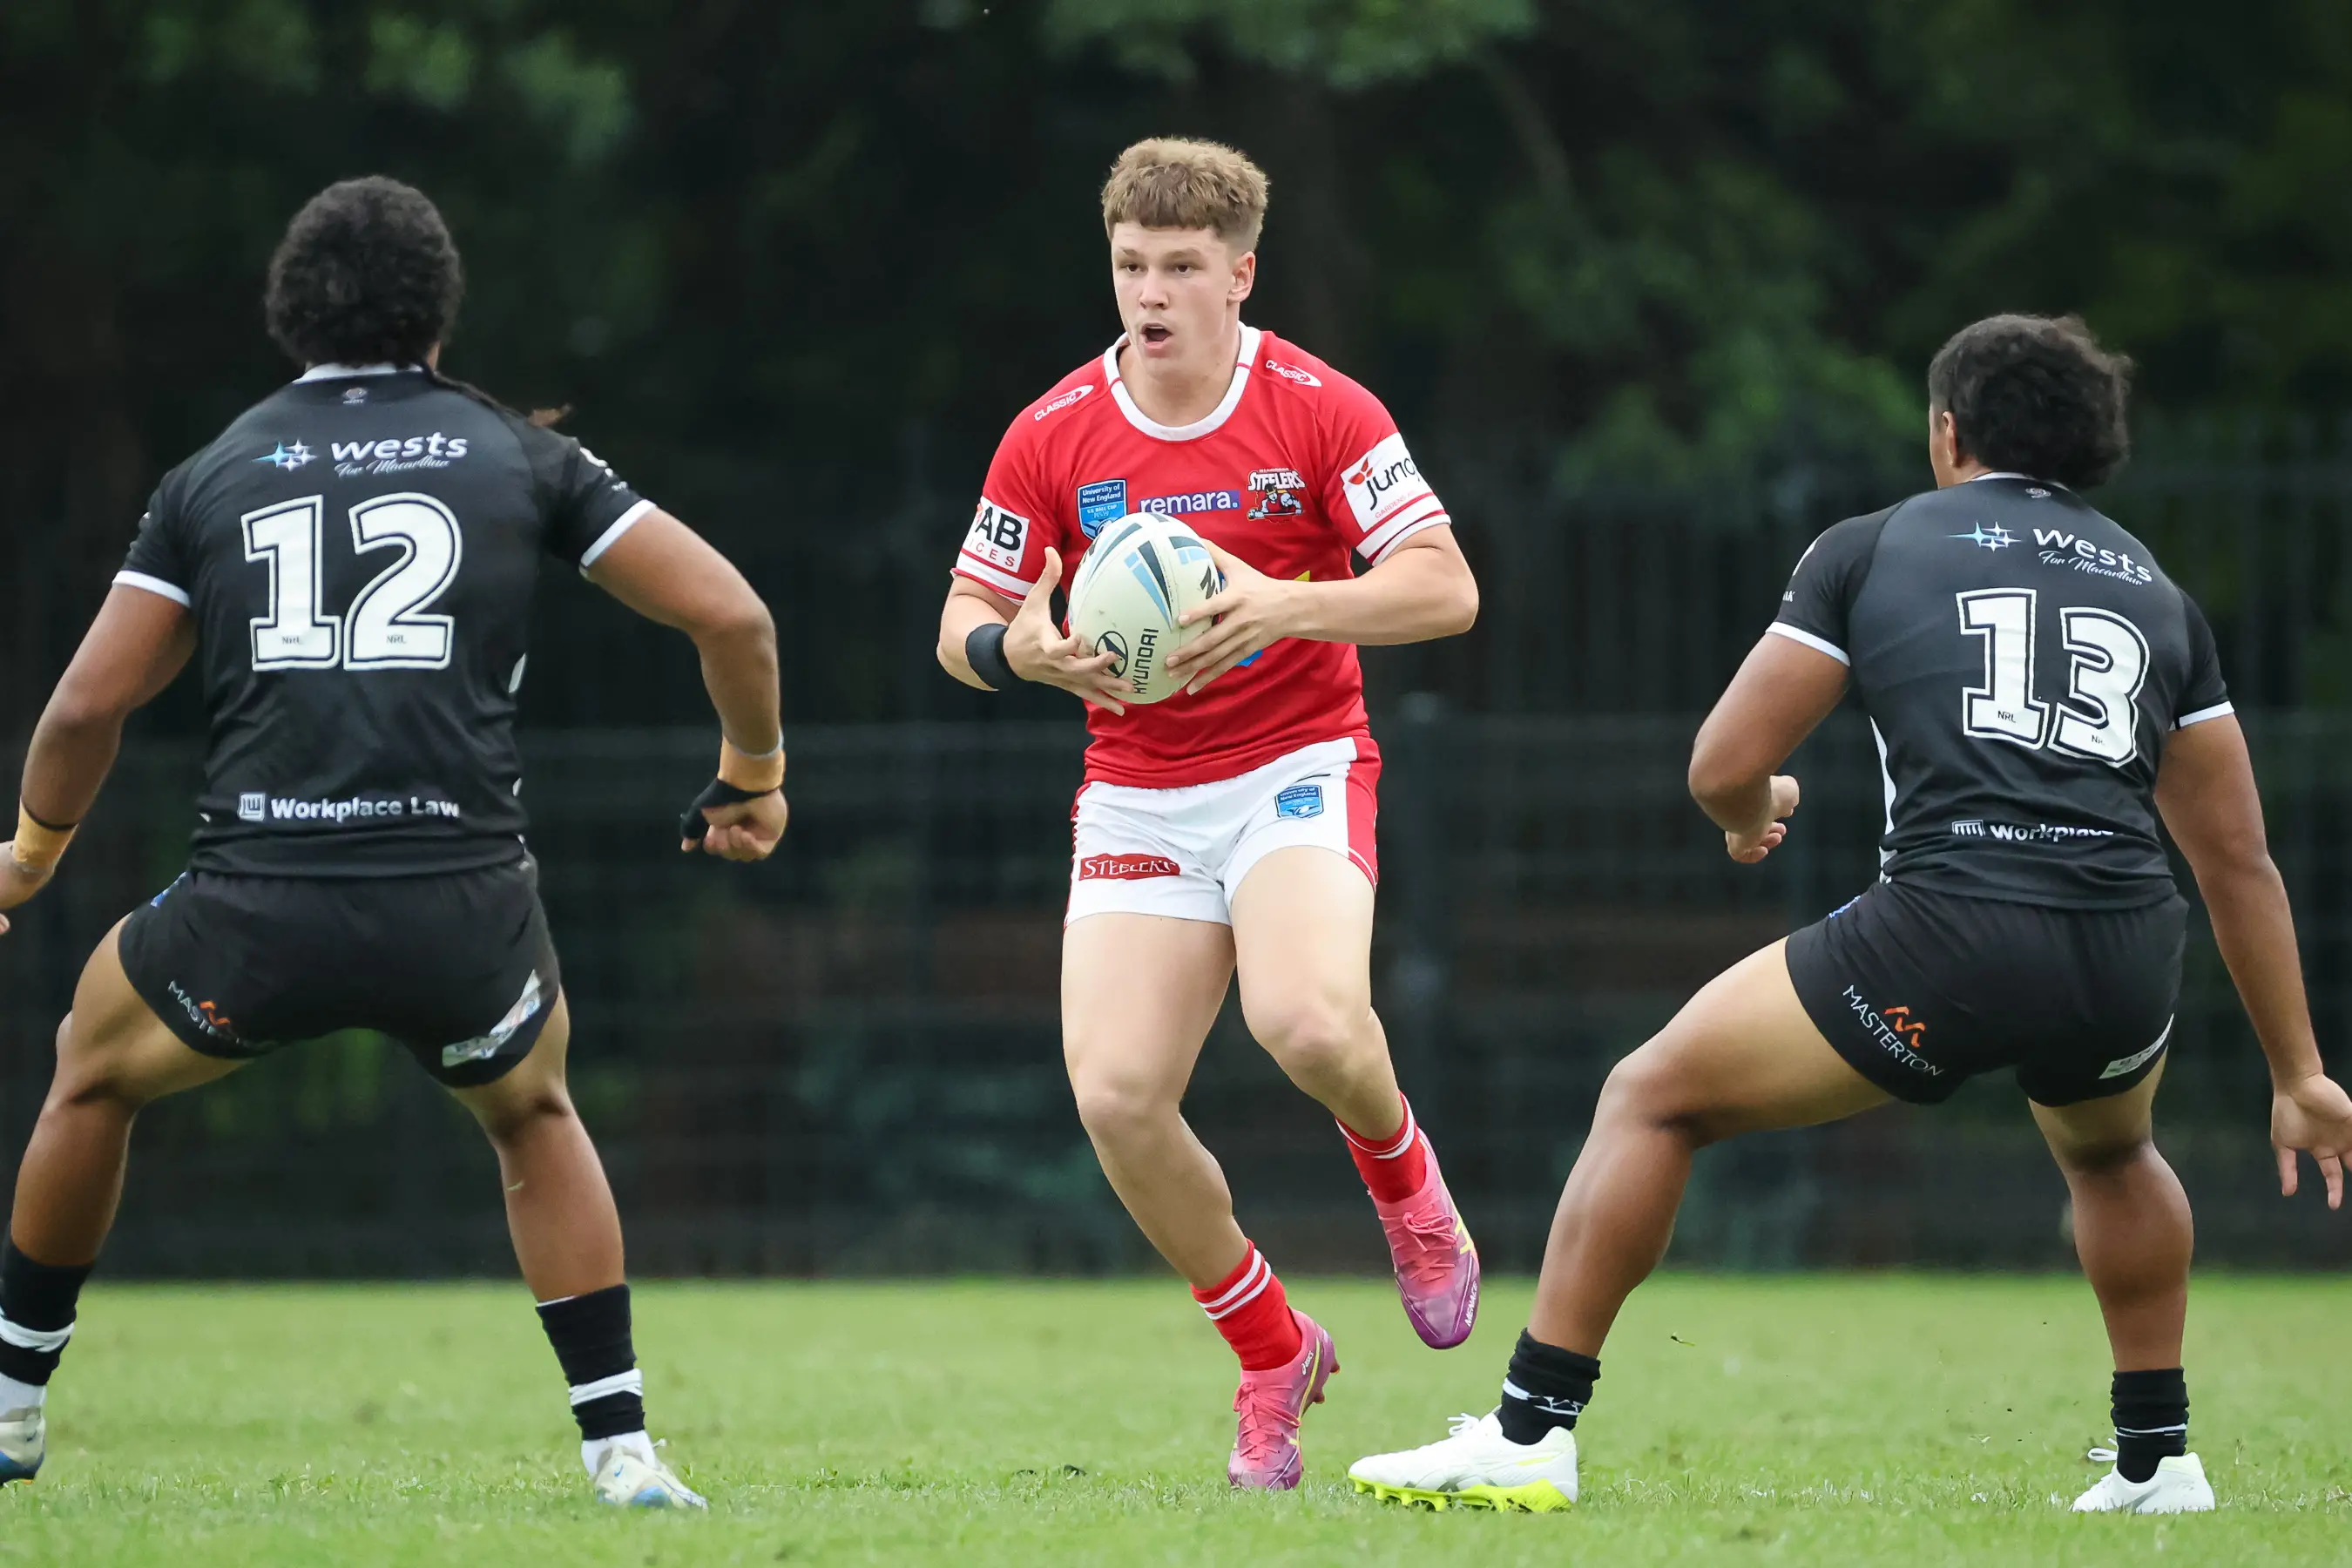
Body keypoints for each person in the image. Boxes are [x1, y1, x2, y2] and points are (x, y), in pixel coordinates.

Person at [1349, 314, 2352, 1516]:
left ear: (1947, 433)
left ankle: (1529, 1433)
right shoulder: (2159, 593)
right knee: (2116, 1150)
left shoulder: (1874, 548)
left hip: (1949, 933)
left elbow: (1724, 761)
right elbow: (2237, 858)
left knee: (1652, 1097)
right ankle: (2159, 1461)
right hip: (2123, 944)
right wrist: (2298, 1073)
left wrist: (1749, 808)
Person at [0, 178, 788, 1509]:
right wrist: (750, 777)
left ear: (287, 314)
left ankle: (15, 1411)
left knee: (89, 1072)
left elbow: (88, 702)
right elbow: (736, 619)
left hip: (255, 908)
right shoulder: (519, 456)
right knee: (534, 1113)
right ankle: (622, 1454)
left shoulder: (216, 472)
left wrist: (27, 858)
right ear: (439, 313)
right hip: (459, 911)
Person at [936, 139, 1483, 1489]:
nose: (1153, 292)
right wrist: (1027, 653)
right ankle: (1270, 1350)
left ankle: (1404, 1178)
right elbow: (959, 624)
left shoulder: (1319, 408)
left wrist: (1293, 600)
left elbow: (1445, 588)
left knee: (1302, 1021)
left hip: (1296, 756)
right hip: (1139, 783)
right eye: (1132, 265)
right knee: (1118, 1098)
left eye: (1182, 266)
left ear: (1241, 273)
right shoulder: (1054, 429)